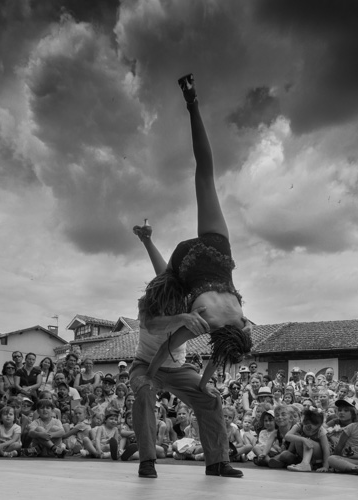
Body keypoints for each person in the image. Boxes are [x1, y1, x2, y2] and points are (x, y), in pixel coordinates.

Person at [129, 74, 250, 480]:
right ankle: (148, 460)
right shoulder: (186, 316)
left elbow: (219, 356)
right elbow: (154, 333)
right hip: (147, 361)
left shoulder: (235, 319)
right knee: (144, 388)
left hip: (216, 254)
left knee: (206, 173)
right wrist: (146, 373)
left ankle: (217, 462)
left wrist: (204, 384)